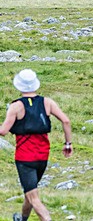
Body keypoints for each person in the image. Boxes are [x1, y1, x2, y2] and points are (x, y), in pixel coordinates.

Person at [0, 69, 73, 221]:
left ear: (18, 85)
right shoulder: (47, 102)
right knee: (30, 192)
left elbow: (3, 131)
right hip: (42, 156)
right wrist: (68, 143)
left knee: (34, 197)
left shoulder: (16, 106)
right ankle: (22, 219)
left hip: (25, 158)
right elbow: (66, 120)